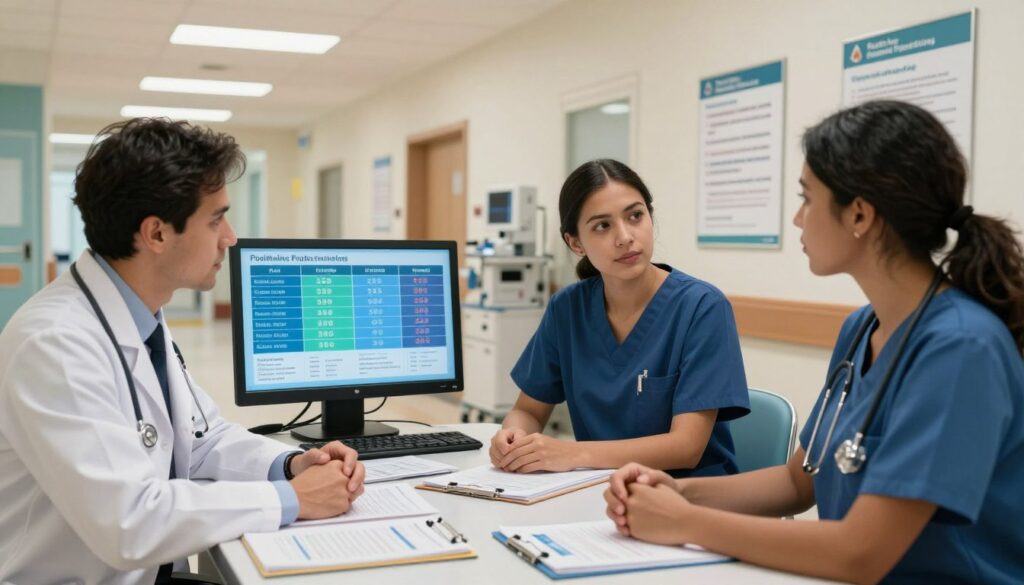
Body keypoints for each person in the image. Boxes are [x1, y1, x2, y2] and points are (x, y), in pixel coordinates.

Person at [604, 100, 1024, 584]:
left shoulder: (961, 348)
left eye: (807, 198)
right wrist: (681, 495)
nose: (798, 220)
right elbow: (798, 481)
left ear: (860, 215)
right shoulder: (862, 328)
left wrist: (684, 523)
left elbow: (859, 554)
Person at [0, 118, 366, 584]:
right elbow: (129, 522)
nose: (230, 237)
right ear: (156, 234)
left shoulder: (140, 313)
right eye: (216, 219)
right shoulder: (54, 345)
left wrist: (289, 464)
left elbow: (200, 440)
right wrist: (292, 499)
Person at [490, 159, 749, 476]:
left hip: (688, 499)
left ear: (650, 218)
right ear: (575, 243)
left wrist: (571, 453)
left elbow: (686, 447)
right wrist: (513, 436)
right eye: (602, 225)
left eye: (635, 216)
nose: (625, 236)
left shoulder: (701, 307)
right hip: (599, 492)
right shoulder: (566, 310)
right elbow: (527, 410)